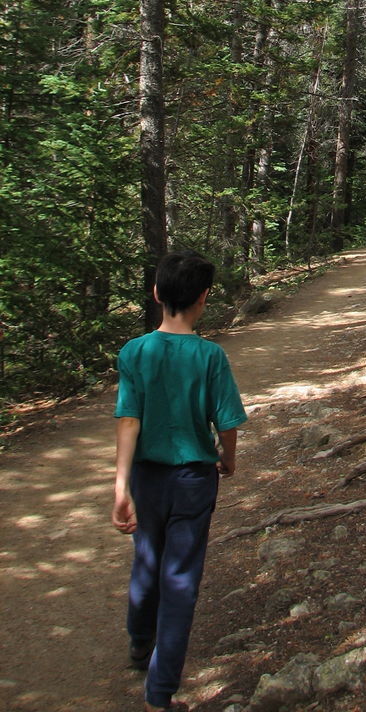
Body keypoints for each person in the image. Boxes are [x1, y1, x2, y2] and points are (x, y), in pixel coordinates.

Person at [112, 251, 247, 712]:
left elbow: (129, 420)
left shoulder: (134, 352)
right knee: (181, 579)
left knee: (147, 558)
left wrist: (120, 486)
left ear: (156, 293)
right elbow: (225, 421)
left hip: (147, 479)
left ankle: (138, 641)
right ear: (203, 299)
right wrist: (227, 460)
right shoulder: (210, 356)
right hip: (193, 478)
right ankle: (160, 691)